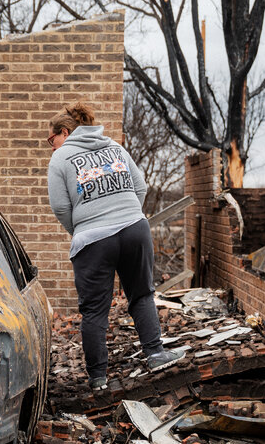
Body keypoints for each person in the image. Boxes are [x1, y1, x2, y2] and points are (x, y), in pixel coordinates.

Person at [46, 102, 183, 391]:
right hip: (135, 229)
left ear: (65, 131)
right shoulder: (115, 149)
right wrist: (127, 216)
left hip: (94, 240)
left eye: (51, 139)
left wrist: (83, 228)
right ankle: (156, 354)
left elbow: (60, 207)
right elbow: (140, 187)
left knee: (95, 310)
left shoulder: (61, 158)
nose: (51, 145)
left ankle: (98, 379)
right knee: (142, 295)